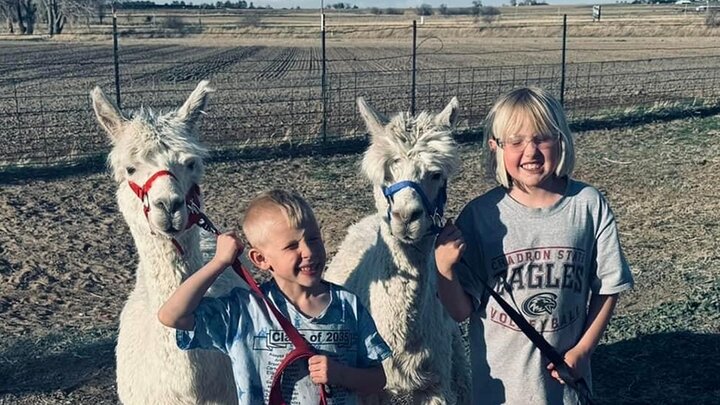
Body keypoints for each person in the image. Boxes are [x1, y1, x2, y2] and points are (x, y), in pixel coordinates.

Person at [434, 86, 634, 404]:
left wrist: (583, 351)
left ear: (561, 139)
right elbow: (460, 311)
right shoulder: (480, 216)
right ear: (495, 147)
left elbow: (609, 286)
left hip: (567, 390)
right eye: (515, 141)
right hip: (499, 392)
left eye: (542, 137)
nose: (530, 152)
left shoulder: (587, 205)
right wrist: (444, 269)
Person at [158, 189, 391, 404]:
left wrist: (342, 375)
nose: (309, 252)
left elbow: (378, 379)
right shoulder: (245, 312)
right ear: (260, 259)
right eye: (292, 246)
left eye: (313, 239)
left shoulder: (347, 305)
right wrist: (219, 262)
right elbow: (172, 316)